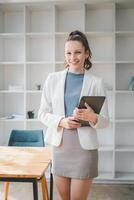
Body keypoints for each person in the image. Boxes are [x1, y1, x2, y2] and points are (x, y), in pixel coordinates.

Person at [38, 30, 109, 200]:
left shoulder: (96, 82)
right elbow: (42, 113)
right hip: (60, 148)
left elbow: (105, 121)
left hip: (85, 151)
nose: (72, 57)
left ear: (87, 53)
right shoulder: (52, 79)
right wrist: (61, 121)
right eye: (68, 53)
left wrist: (92, 117)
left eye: (77, 52)